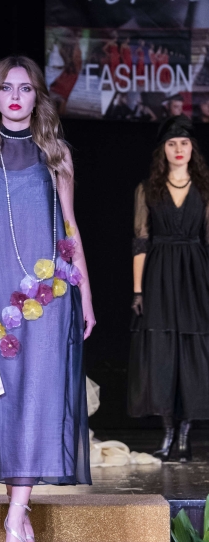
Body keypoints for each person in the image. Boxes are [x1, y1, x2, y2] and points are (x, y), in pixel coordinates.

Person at [0, 56, 94, 542]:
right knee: (6, 402)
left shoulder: (56, 153)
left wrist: (86, 295)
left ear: (38, 97)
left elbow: (70, 228)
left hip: (50, 296)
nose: (16, 97)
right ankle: (19, 506)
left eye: (26, 88)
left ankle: (15, 513)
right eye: (7, 88)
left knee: (39, 398)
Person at [128, 115, 209, 463]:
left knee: (192, 349)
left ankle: (186, 433)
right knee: (161, 352)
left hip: (195, 273)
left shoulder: (205, 187)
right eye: (172, 143)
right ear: (163, 149)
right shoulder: (148, 188)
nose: (178, 149)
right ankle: (167, 432)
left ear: (193, 149)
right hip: (159, 273)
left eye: (184, 143)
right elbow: (141, 240)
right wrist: (138, 291)